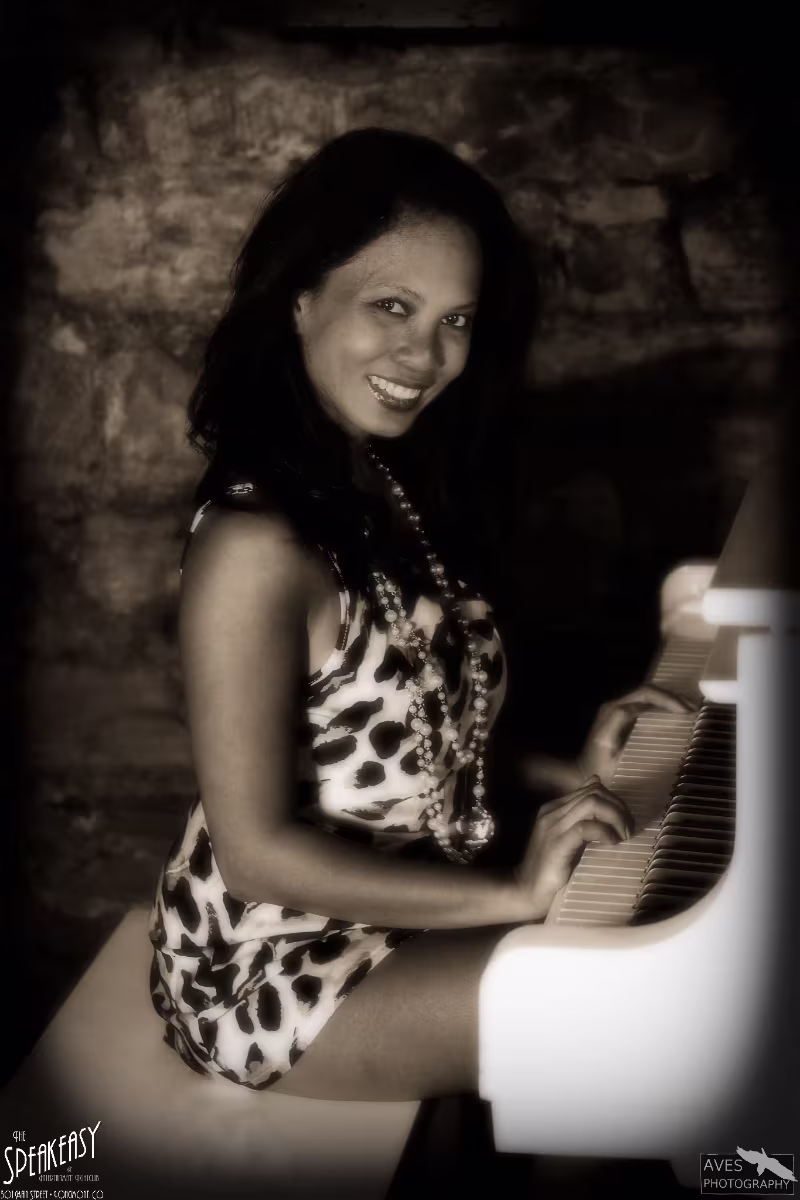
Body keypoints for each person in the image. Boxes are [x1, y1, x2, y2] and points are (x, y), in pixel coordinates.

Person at [147, 128, 691, 1102]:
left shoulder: (382, 480)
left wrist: (569, 771)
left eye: (456, 320)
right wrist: (512, 892)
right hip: (271, 964)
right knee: (622, 1018)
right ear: (299, 298)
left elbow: (408, 740)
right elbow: (257, 854)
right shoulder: (251, 549)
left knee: (650, 978)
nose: (426, 355)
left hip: (403, 902)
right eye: (391, 306)